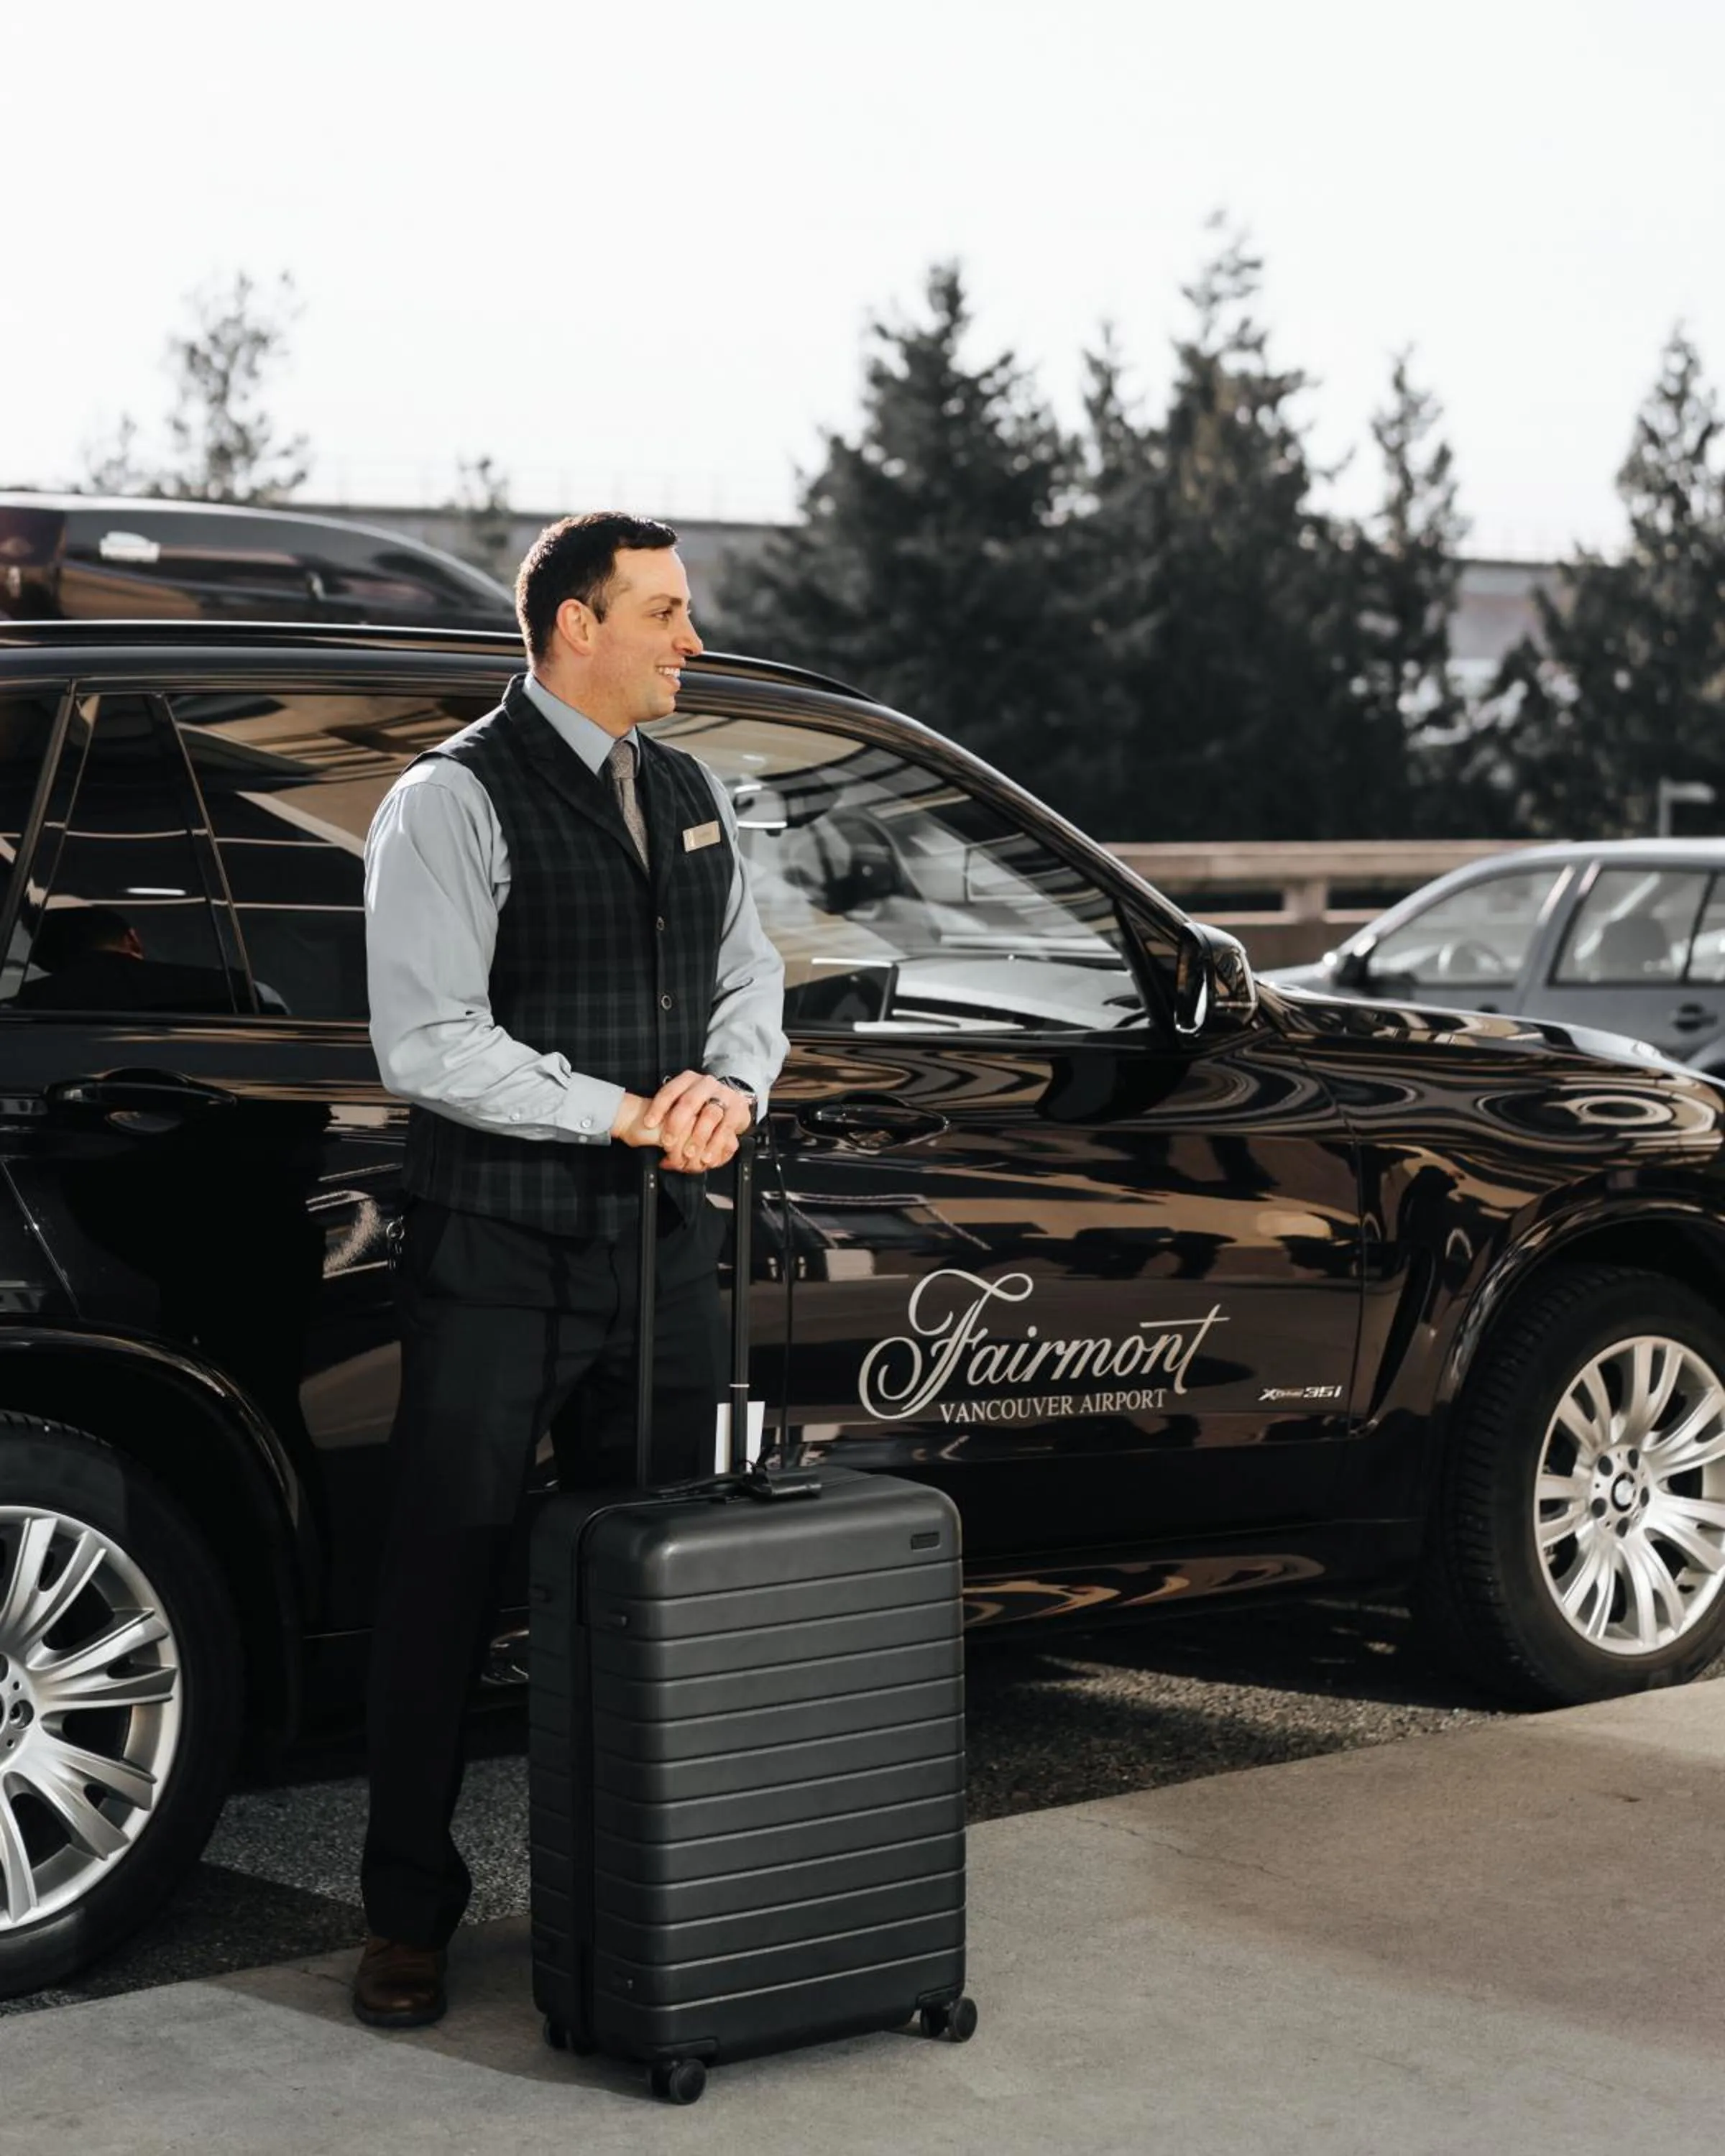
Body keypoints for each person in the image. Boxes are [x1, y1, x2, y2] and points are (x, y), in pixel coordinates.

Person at [354, 512, 786, 2030]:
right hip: (498, 1252)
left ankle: (633, 1904)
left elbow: (753, 978)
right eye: (663, 612)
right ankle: (407, 1918)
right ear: (571, 629)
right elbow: (426, 1040)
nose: (690, 640)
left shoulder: (692, 792)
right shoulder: (448, 801)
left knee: (656, 1584)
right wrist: (618, 1112)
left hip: (663, 1256)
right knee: (447, 1583)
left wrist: (729, 1088)